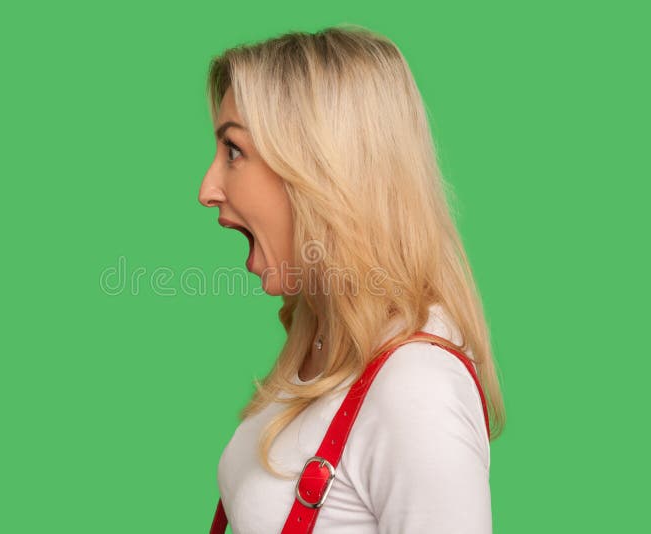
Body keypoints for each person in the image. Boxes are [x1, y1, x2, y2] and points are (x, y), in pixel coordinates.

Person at [198, 24, 506, 534]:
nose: (208, 188)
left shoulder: (417, 388)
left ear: (320, 170)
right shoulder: (320, 337)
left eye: (234, 150)